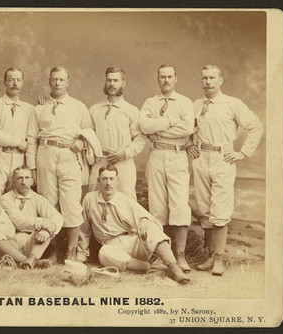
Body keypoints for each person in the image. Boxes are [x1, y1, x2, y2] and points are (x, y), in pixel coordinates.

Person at [187, 65, 263, 276]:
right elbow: (189, 130)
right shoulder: (195, 105)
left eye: (212, 78)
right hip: (201, 158)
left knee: (220, 209)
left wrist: (243, 153)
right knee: (204, 209)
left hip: (223, 159)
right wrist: (189, 144)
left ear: (220, 80)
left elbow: (255, 126)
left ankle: (219, 259)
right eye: (204, 78)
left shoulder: (232, 104)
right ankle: (210, 256)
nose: (208, 82)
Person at [77, 165, 190, 284]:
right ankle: (147, 267)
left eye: (111, 179)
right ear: (98, 180)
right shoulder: (90, 199)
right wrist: (81, 254)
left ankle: (174, 268)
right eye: (104, 179)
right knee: (104, 253)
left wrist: (144, 220)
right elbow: (84, 230)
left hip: (133, 242)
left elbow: (148, 219)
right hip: (111, 246)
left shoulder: (124, 200)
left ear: (117, 181)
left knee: (151, 228)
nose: (108, 183)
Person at [26, 66, 93, 261]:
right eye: (54, 80)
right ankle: (52, 249)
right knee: (48, 203)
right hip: (45, 153)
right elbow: (31, 138)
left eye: (61, 80)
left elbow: (89, 131)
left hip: (68, 155)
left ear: (68, 81)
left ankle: (71, 251)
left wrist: (81, 142)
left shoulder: (78, 106)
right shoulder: (39, 108)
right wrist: (32, 168)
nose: (57, 83)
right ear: (49, 81)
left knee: (71, 203)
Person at [138, 64, 194, 273]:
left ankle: (179, 255)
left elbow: (187, 128)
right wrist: (170, 122)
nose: (166, 80)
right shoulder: (150, 103)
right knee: (157, 206)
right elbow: (144, 126)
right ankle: (160, 252)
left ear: (176, 78)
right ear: (158, 79)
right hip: (156, 155)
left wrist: (159, 128)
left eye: (170, 76)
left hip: (178, 155)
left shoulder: (184, 102)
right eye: (162, 77)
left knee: (179, 205)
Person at [0, 166, 64, 268]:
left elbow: (57, 217)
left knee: (48, 228)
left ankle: (30, 260)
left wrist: (46, 230)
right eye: (19, 178)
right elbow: (18, 220)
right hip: (11, 242)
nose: (23, 182)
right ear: (13, 181)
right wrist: (42, 223)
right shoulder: (6, 199)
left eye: (27, 178)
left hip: (32, 244)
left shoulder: (38, 199)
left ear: (32, 181)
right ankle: (28, 262)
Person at [88, 67, 146, 200]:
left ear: (123, 83)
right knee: (94, 199)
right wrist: (93, 155)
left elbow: (140, 139)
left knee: (125, 201)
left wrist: (124, 153)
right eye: (109, 80)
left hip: (123, 163)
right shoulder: (95, 109)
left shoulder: (131, 110)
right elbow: (88, 136)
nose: (112, 84)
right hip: (100, 161)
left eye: (116, 80)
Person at [0, 68, 35, 201]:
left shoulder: (30, 109)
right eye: (11, 80)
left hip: (20, 158)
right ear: (4, 82)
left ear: (22, 83)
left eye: (18, 80)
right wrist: (18, 142)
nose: (15, 84)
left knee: (16, 200)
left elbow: (35, 135)